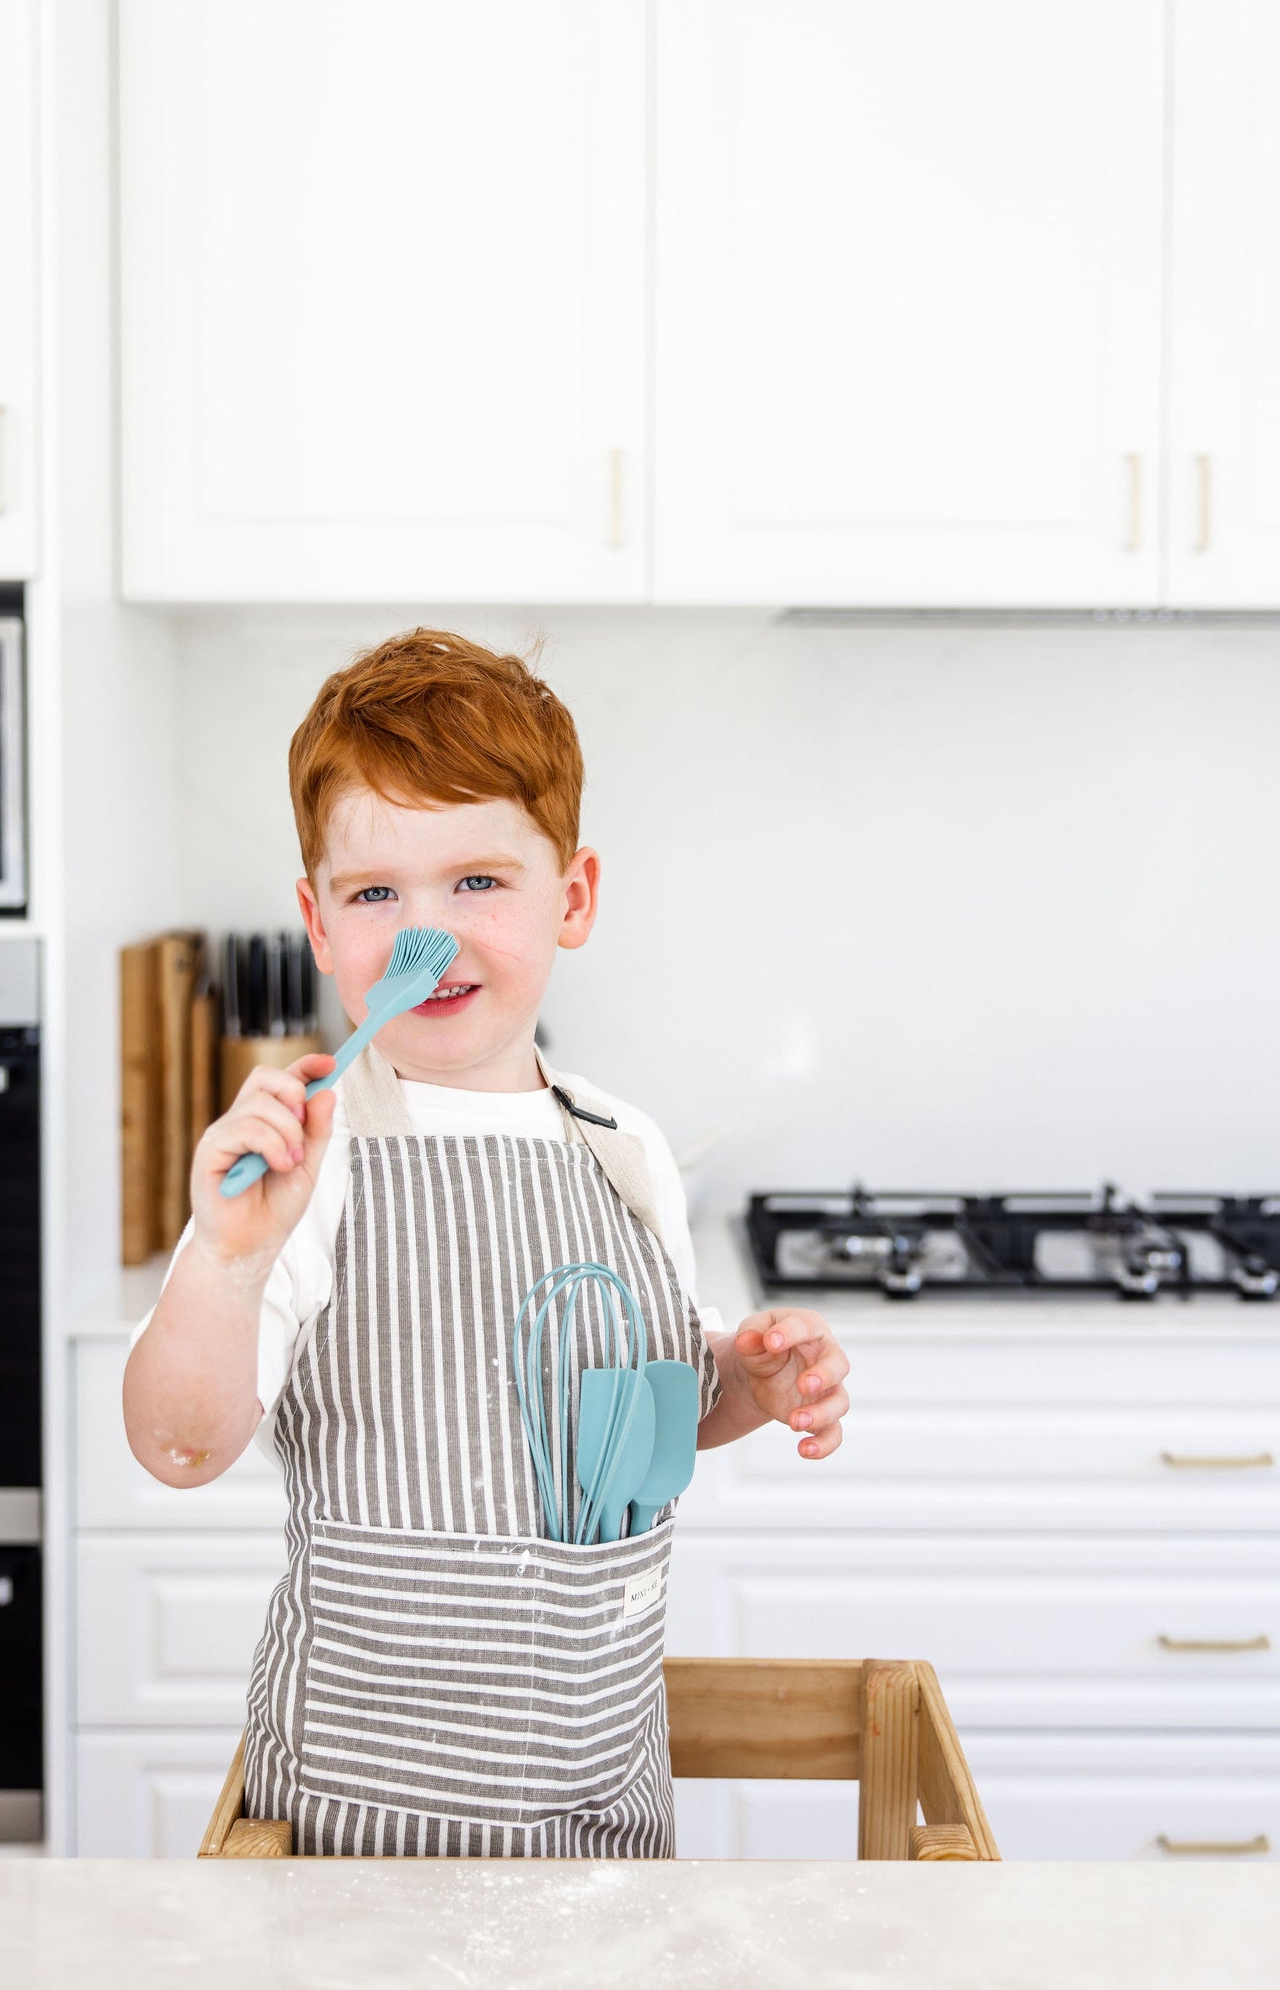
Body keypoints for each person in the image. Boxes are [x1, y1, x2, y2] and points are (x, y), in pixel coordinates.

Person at [124, 627, 850, 1858]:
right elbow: (180, 1445)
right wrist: (226, 1257)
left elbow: (638, 1420)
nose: (429, 931)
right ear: (317, 921)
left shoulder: (623, 1147)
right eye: (376, 895)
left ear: (569, 898)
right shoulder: (311, 1164)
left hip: (601, 1824)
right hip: (357, 1843)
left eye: (477, 882)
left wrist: (744, 1382)